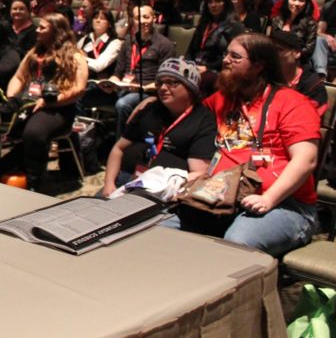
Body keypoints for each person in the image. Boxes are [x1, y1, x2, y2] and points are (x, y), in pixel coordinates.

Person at [172, 33, 320, 257]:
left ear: (258, 66)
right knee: (164, 225)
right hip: (224, 197)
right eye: (226, 54)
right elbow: (189, 118)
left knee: (237, 242)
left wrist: (268, 199)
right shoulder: (224, 98)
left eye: (235, 56)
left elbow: (306, 160)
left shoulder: (292, 102)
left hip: (286, 204)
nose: (225, 60)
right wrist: (151, 103)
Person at [1, 13, 88, 193]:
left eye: (42, 27)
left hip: (59, 109)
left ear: (56, 31)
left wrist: (52, 101)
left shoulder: (75, 56)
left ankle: (35, 183)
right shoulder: (34, 52)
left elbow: (79, 88)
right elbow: (18, 77)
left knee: (34, 132)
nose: (37, 30)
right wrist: (12, 98)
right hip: (29, 103)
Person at [102, 59, 216, 194]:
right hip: (128, 179)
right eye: (160, 82)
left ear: (190, 87)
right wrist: (108, 184)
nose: (162, 88)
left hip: (164, 189)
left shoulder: (203, 120)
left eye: (171, 82)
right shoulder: (149, 109)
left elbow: (198, 174)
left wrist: (161, 191)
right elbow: (118, 148)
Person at [94, 4, 177, 141]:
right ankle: (88, 145)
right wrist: (111, 83)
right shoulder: (128, 42)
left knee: (123, 104)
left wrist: (143, 87)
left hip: (147, 92)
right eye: (138, 18)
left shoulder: (165, 45)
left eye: (146, 17)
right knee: (84, 95)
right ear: (133, 20)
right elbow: (118, 72)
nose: (143, 21)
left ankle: (120, 146)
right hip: (124, 88)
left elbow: (165, 80)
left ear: (153, 19)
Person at [186, 0, 244, 92]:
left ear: (225, 3)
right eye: (210, 2)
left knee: (199, 81)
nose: (213, 5)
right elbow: (191, 50)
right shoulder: (203, 24)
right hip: (196, 66)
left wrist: (207, 67)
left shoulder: (234, 27)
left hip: (217, 69)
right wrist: (188, 64)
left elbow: (232, 57)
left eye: (218, 1)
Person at [271, 30, 328, 115]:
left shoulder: (314, 86)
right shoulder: (267, 77)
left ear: (297, 53)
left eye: (279, 50)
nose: (273, 55)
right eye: (271, 50)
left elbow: (310, 118)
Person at [269, 0, 317, 67]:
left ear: (306, 4)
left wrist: (290, 56)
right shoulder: (277, 20)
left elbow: (308, 50)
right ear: (287, 0)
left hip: (297, 62)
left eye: (301, 0)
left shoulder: (310, 23)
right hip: (275, 60)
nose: (297, 3)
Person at [78, 8, 122, 81]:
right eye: (95, 18)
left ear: (109, 24)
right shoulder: (85, 39)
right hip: (81, 78)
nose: (98, 20)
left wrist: (80, 57)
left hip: (101, 83)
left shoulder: (115, 43)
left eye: (102, 18)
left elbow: (98, 66)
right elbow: (71, 55)